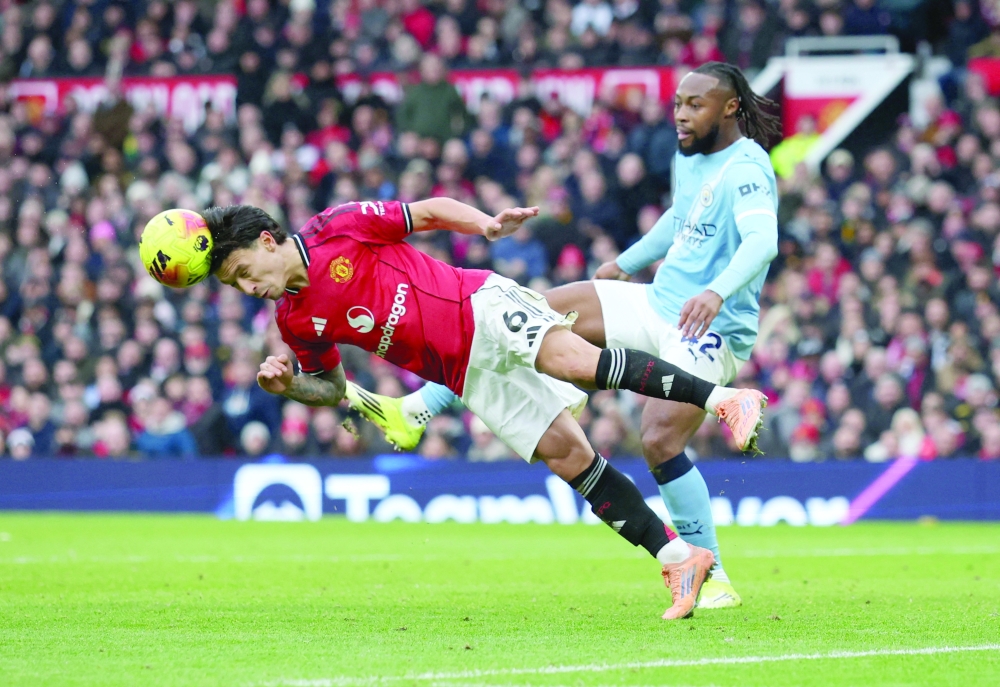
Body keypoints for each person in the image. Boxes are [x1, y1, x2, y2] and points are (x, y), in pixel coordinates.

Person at [202, 195, 766, 620]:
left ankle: (725, 399)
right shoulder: (294, 321)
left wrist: (485, 224)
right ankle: (678, 558)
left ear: (267, 241)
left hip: (479, 304)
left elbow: (425, 213)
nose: (248, 288)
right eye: (234, 286)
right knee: (568, 457)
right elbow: (331, 388)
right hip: (465, 374)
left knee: (574, 362)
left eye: (244, 273)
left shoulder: (335, 227)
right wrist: (291, 387)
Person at [345, 62, 782, 610]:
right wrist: (624, 263)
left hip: (710, 324)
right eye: (677, 104)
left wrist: (715, 292)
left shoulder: (748, 166)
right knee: (524, 315)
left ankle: (713, 575)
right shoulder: (690, 156)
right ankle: (418, 409)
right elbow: (680, 219)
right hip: (659, 301)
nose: (680, 115)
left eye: (695, 105)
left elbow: (762, 241)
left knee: (659, 439)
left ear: (731, 107)